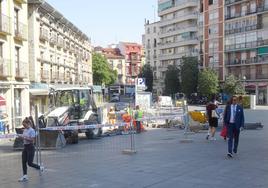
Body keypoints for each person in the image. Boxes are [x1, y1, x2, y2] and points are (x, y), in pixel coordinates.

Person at [18, 117, 44, 182]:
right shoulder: (25, 130)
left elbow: (32, 141)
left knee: (30, 163)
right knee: (23, 162)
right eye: (23, 125)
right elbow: (24, 137)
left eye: (24, 125)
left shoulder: (32, 130)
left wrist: (24, 137)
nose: (24, 126)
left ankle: (40, 167)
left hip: (30, 147)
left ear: (28, 124)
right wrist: (21, 137)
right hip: (25, 147)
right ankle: (25, 176)